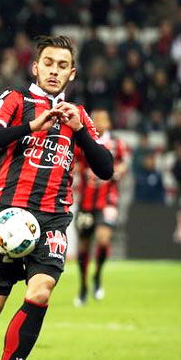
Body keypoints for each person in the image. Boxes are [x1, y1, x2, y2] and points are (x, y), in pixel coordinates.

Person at [0, 36, 113, 360]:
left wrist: (79, 131)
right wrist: (30, 125)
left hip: (52, 219)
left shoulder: (78, 115)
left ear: (72, 73)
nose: (54, 70)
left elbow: (105, 168)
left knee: (41, 292)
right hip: (7, 215)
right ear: (36, 67)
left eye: (62, 65)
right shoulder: (15, 100)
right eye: (48, 63)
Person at [74, 108, 130, 306]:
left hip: (108, 200)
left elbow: (124, 164)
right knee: (83, 244)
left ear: (109, 123)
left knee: (103, 238)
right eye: (94, 118)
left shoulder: (116, 144)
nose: (98, 122)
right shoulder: (82, 142)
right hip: (86, 202)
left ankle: (97, 276)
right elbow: (73, 163)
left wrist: (117, 171)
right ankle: (83, 286)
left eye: (102, 119)